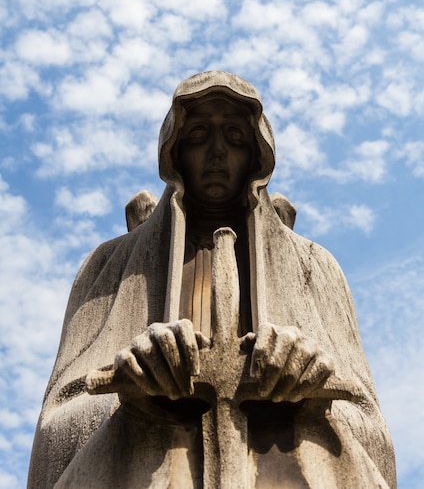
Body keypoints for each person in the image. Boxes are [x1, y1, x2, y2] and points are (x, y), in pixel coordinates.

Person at [28, 71, 396, 488]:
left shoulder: (315, 266)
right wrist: (130, 386)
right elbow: (54, 435)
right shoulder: (110, 264)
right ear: (175, 150)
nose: (218, 153)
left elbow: (374, 439)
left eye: (236, 136)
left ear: (257, 154)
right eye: (200, 134)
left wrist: (314, 389)